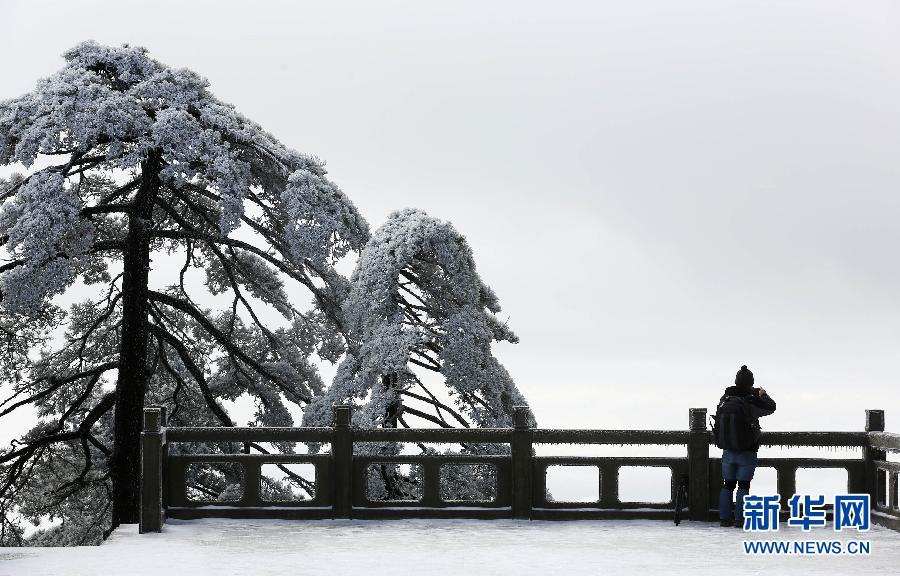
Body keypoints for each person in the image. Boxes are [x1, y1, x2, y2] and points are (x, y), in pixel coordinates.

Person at [716, 365, 776, 527]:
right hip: (747, 450)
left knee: (728, 484)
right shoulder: (751, 401)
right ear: (751, 382)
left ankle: (724, 518)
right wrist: (763, 394)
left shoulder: (725, 398)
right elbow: (771, 407)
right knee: (743, 485)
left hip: (728, 449)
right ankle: (739, 519)